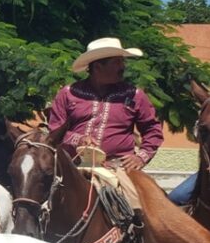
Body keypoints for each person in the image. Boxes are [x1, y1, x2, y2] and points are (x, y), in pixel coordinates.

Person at [48, 37, 163, 170]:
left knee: (140, 191)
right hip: (71, 167)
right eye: (117, 62)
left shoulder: (135, 95)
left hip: (119, 167)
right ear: (97, 66)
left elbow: (152, 130)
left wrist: (141, 157)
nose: (122, 67)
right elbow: (55, 129)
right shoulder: (68, 93)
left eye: (122, 61)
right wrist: (79, 139)